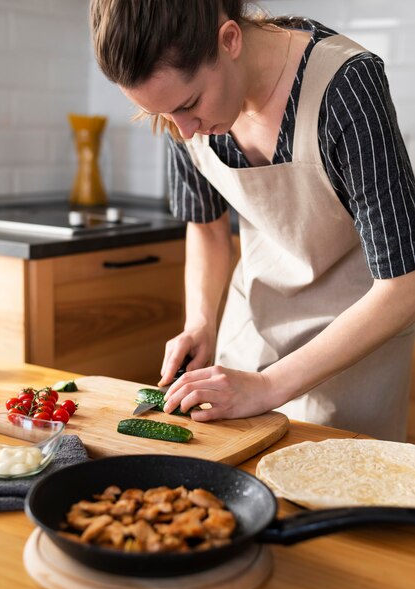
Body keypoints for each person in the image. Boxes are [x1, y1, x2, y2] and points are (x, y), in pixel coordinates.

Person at [90, 0, 415, 441]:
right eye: (162, 115)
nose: (183, 131)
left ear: (229, 40)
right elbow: (206, 227)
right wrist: (200, 322)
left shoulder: (344, 88)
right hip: (251, 331)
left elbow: (404, 284)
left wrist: (269, 386)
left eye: (189, 105)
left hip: (354, 344)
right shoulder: (178, 109)